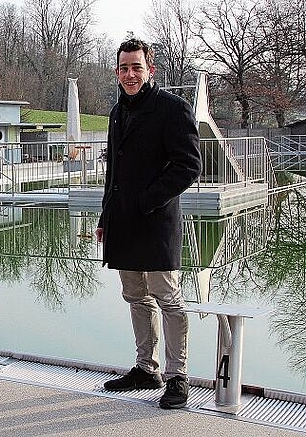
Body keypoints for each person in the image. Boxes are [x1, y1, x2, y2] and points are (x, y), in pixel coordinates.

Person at [95, 38, 202, 409]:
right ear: (117, 71)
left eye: (136, 67)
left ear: (150, 70)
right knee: (136, 298)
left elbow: (189, 165)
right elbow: (114, 172)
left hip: (156, 222)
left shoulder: (173, 109)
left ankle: (177, 377)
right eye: (124, 68)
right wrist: (105, 216)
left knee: (169, 300)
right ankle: (145, 368)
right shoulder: (116, 112)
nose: (130, 74)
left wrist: (147, 200)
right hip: (123, 222)